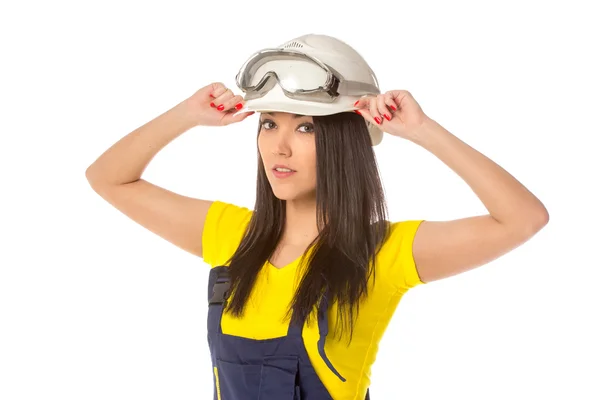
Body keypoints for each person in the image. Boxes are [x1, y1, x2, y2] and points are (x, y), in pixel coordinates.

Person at [85, 34, 549, 399]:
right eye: (269, 123)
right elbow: (108, 178)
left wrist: (423, 131)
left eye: (305, 127)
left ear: (345, 140)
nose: (279, 147)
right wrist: (186, 114)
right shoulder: (233, 237)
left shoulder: (381, 255)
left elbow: (522, 219)